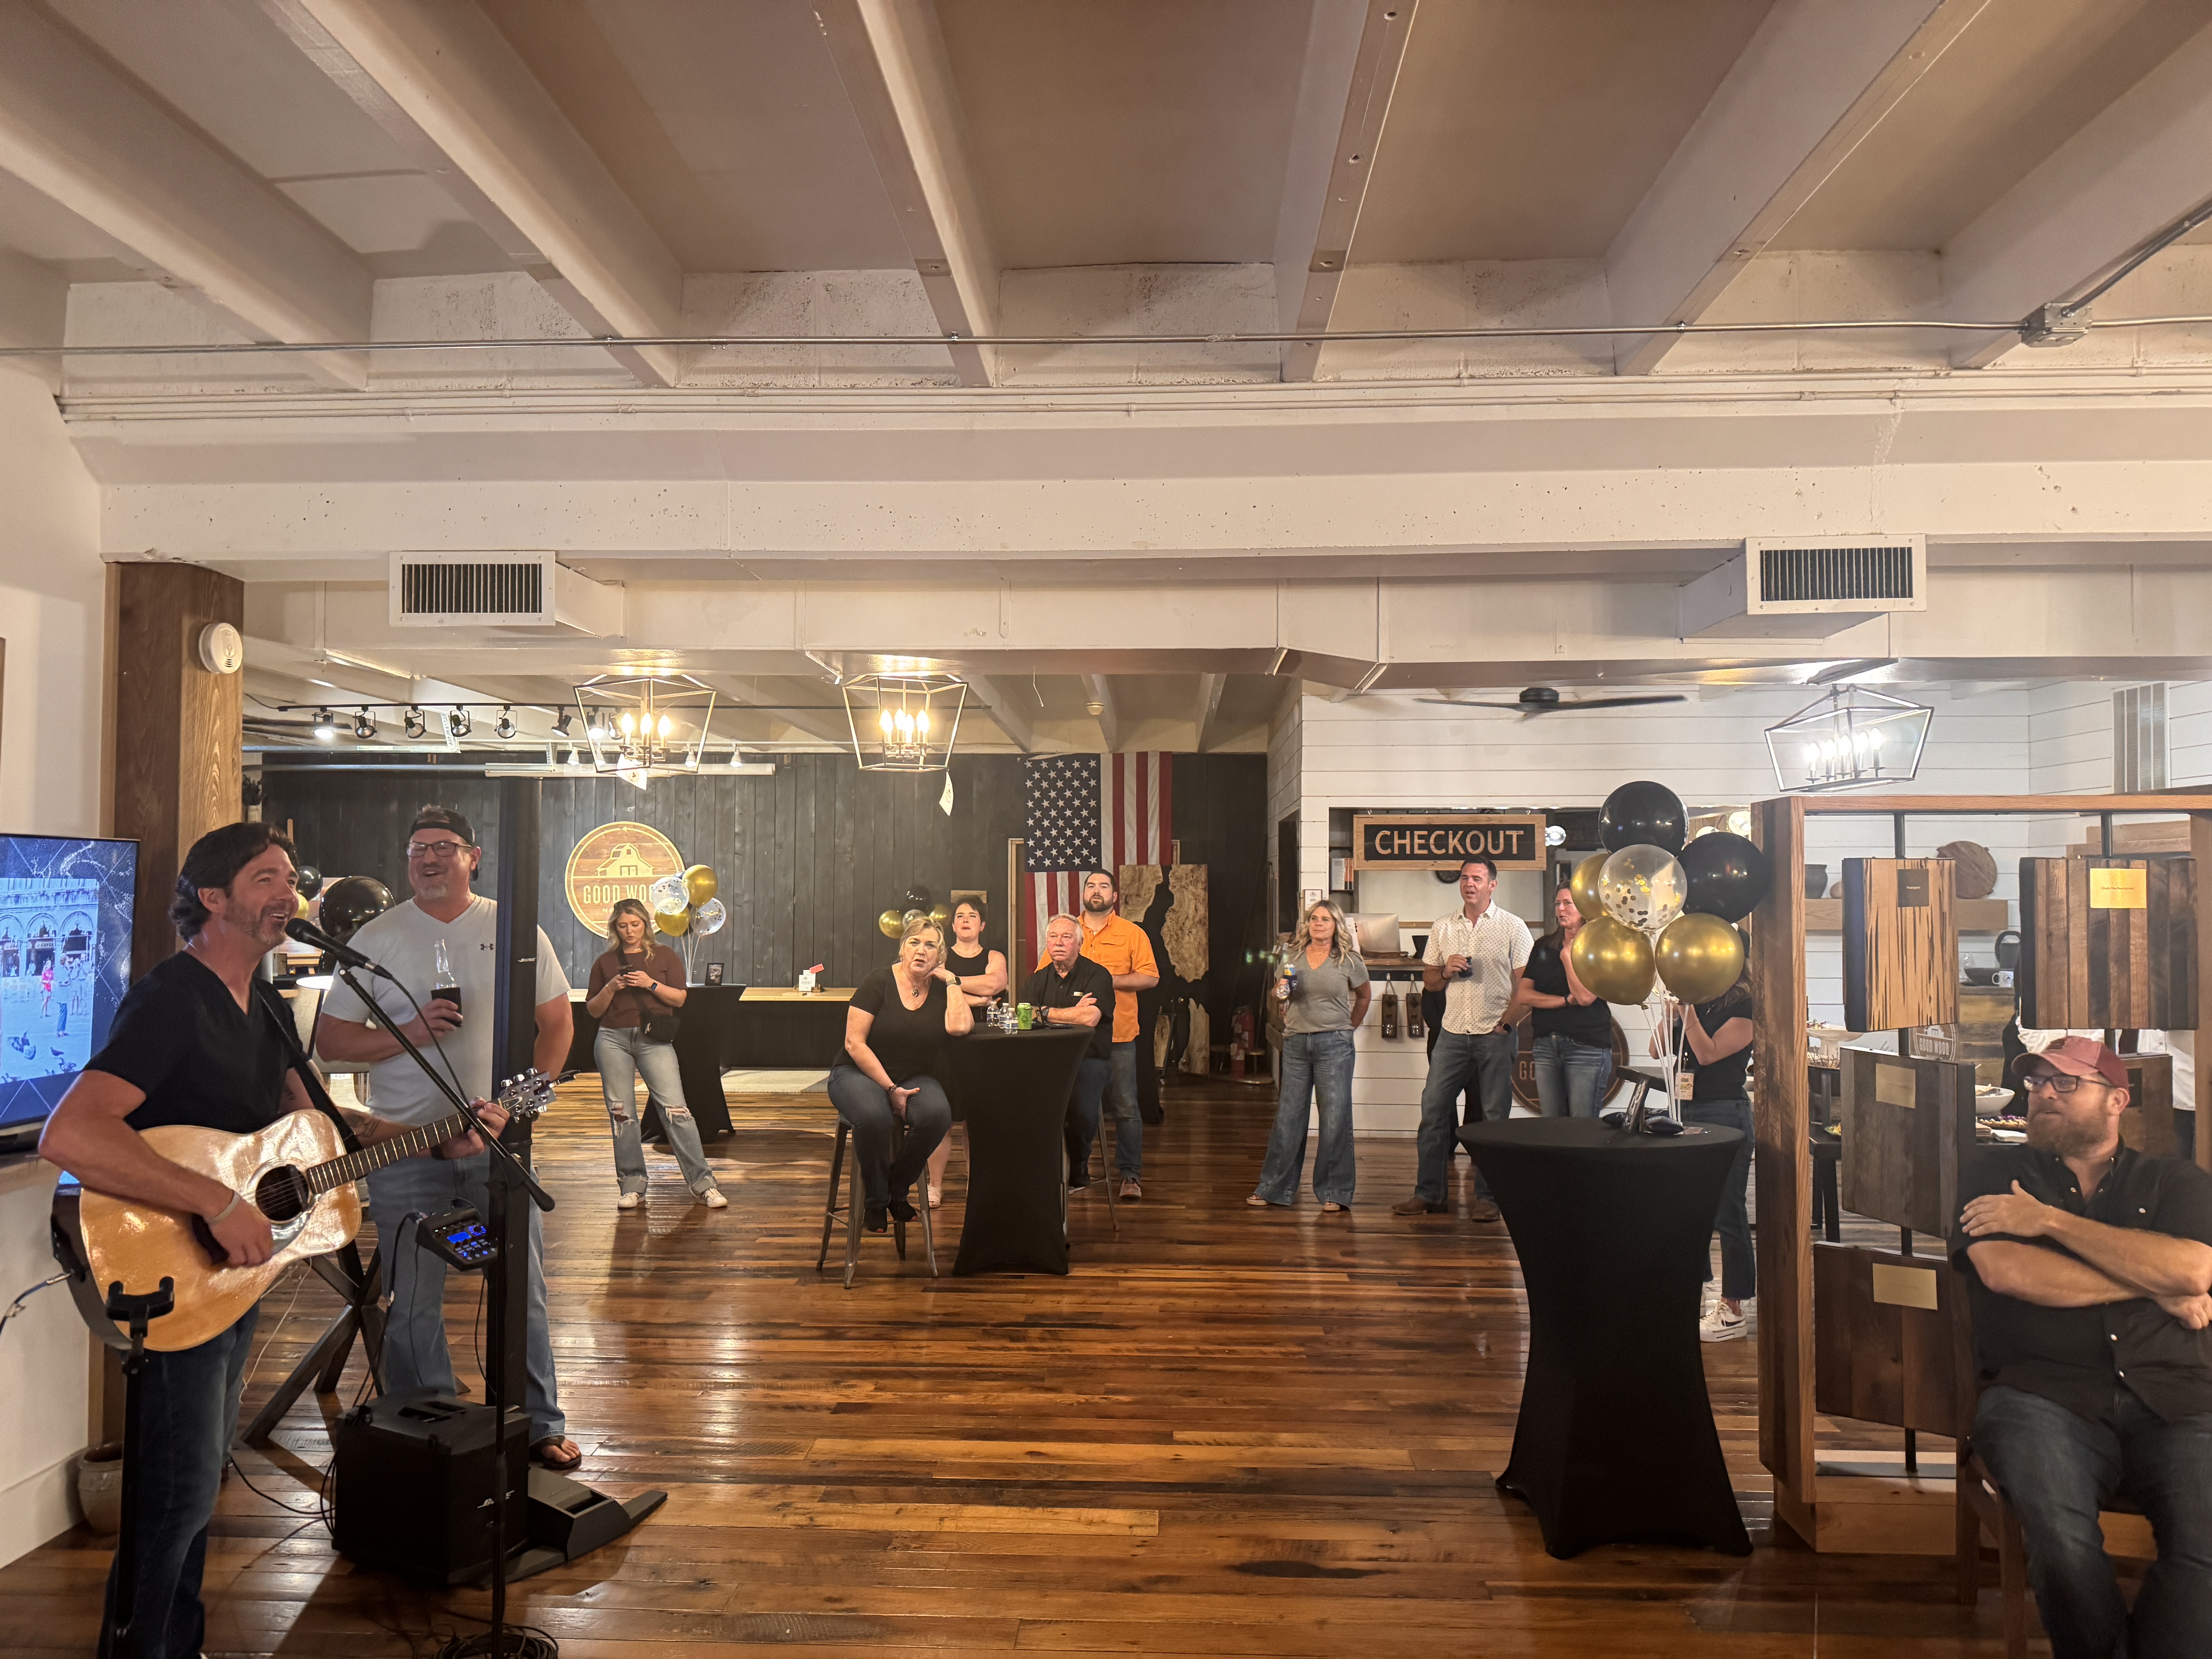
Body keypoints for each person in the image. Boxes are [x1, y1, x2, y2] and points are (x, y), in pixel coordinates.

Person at [40, 823, 508, 1659]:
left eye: (290, 878)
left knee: (195, 1485)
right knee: (178, 1493)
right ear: (212, 898)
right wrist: (217, 1201)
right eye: (265, 878)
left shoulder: (263, 1006)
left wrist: (436, 1137)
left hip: (232, 1275)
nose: (287, 894)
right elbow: (71, 1133)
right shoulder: (172, 999)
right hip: (171, 1268)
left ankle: (176, 1644)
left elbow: (324, 1125)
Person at [315, 805, 580, 1471]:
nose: (429, 859)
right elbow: (331, 1041)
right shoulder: (378, 936)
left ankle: (537, 1422)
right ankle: (426, 1431)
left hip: (498, 1145)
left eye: (443, 847)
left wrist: (518, 1109)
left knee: (522, 1290)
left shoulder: (512, 929)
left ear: (473, 857)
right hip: (407, 1145)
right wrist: (410, 1033)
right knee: (411, 1299)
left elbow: (557, 1027)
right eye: (417, 849)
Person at [1953, 1036, 2212, 1659]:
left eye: (2066, 1083)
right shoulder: (1993, 1176)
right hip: (2041, 1394)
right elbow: (2009, 1272)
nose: (2044, 1094)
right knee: (2062, 1542)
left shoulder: (2175, 1180)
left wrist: (2049, 1222)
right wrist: (2154, 1286)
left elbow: (2195, 1271)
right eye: (2037, 1082)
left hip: (2176, 1396)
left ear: (2117, 1100)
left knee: (2205, 1544)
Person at [1396, 855, 1532, 1220]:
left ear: (1492, 885)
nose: (1469, 884)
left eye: (1477, 878)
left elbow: (1526, 986)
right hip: (1453, 1033)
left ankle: (1488, 1198)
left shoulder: (1513, 927)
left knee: (1493, 1120)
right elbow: (1430, 982)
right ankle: (1429, 1194)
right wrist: (1445, 971)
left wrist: (1506, 1025)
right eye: (1464, 878)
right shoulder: (1443, 926)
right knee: (1433, 1112)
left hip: (1495, 1034)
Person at [584, 898, 726, 1210]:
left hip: (654, 1040)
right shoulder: (605, 962)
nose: (630, 931)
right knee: (623, 1116)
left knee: (677, 1111)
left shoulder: (665, 956)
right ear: (615, 928)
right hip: (612, 1039)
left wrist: (650, 984)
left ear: (646, 925)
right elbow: (593, 1010)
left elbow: (679, 999)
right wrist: (611, 988)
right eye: (623, 926)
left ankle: (704, 1184)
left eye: (635, 924)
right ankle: (632, 1185)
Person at [833, 917, 971, 1230]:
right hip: (858, 1072)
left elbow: (961, 1027)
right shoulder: (879, 981)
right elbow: (854, 1043)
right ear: (903, 949)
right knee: (875, 1118)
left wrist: (953, 982)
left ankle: (897, 1187)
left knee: (938, 1116)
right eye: (914, 943)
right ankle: (876, 1201)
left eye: (930, 945)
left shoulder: (942, 988)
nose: (921, 951)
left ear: (940, 956)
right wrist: (891, 1088)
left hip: (913, 1075)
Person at [1250, 898, 1370, 1212]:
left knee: (1334, 1119)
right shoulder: (1293, 957)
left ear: (1336, 926)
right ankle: (1274, 1188)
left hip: (1335, 1045)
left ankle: (1334, 1192)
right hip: (1297, 1044)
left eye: (1326, 920)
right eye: (1314, 918)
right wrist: (1281, 994)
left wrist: (1348, 1029)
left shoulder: (1348, 959)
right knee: (1289, 1118)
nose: (1318, 924)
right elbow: (1281, 993)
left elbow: (1364, 996)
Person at [1661, 960, 1755, 1340]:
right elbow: (1656, 1049)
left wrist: (1688, 1013)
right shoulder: (1700, 1003)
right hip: (1688, 1110)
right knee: (1690, 1208)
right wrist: (1670, 1014)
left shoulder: (1746, 1006)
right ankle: (1695, 1291)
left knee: (1727, 1211)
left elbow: (1708, 1054)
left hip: (1725, 1113)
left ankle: (1734, 1309)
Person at [1065, 870, 1159, 1200]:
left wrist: (1106, 981)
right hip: (1075, 1038)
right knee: (1080, 1110)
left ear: (1114, 896)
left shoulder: (1132, 933)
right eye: (1091, 885)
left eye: (1104, 886)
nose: (1097, 890)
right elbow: (1045, 973)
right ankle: (1079, 1173)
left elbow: (1150, 977)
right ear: (1083, 893)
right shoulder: (1068, 930)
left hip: (1120, 1036)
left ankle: (1130, 1174)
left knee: (1127, 1108)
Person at [1021, 913, 1115, 1188]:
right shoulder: (1036, 981)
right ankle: (1044, 1167)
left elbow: (1090, 1018)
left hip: (1088, 1058)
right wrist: (1071, 1012)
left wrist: (1045, 1013)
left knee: (1082, 1114)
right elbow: (1025, 1016)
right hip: (1046, 1059)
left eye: (1066, 937)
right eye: (1053, 937)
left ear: (1079, 943)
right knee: (1029, 1109)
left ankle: (1078, 1164)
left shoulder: (1098, 975)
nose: (1059, 942)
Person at [927, 897, 1008, 1208]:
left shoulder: (994, 956)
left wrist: (954, 983)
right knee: (943, 1120)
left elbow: (995, 985)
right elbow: (936, 995)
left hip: (983, 1048)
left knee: (977, 1122)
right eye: (960, 916)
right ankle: (935, 1186)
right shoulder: (940, 955)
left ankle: (978, 1185)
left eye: (972, 916)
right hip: (945, 1047)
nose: (965, 920)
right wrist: (975, 1000)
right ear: (953, 924)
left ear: (982, 925)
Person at [1513, 882, 1614, 1118]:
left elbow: (1586, 997)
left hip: (1586, 1045)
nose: (1561, 909)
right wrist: (1564, 1001)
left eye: (1568, 903)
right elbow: (1524, 995)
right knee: (1552, 1125)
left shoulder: (1599, 947)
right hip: (1546, 1044)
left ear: (1585, 908)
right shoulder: (1544, 946)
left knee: (1581, 1125)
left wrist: (1568, 957)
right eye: (1558, 903)